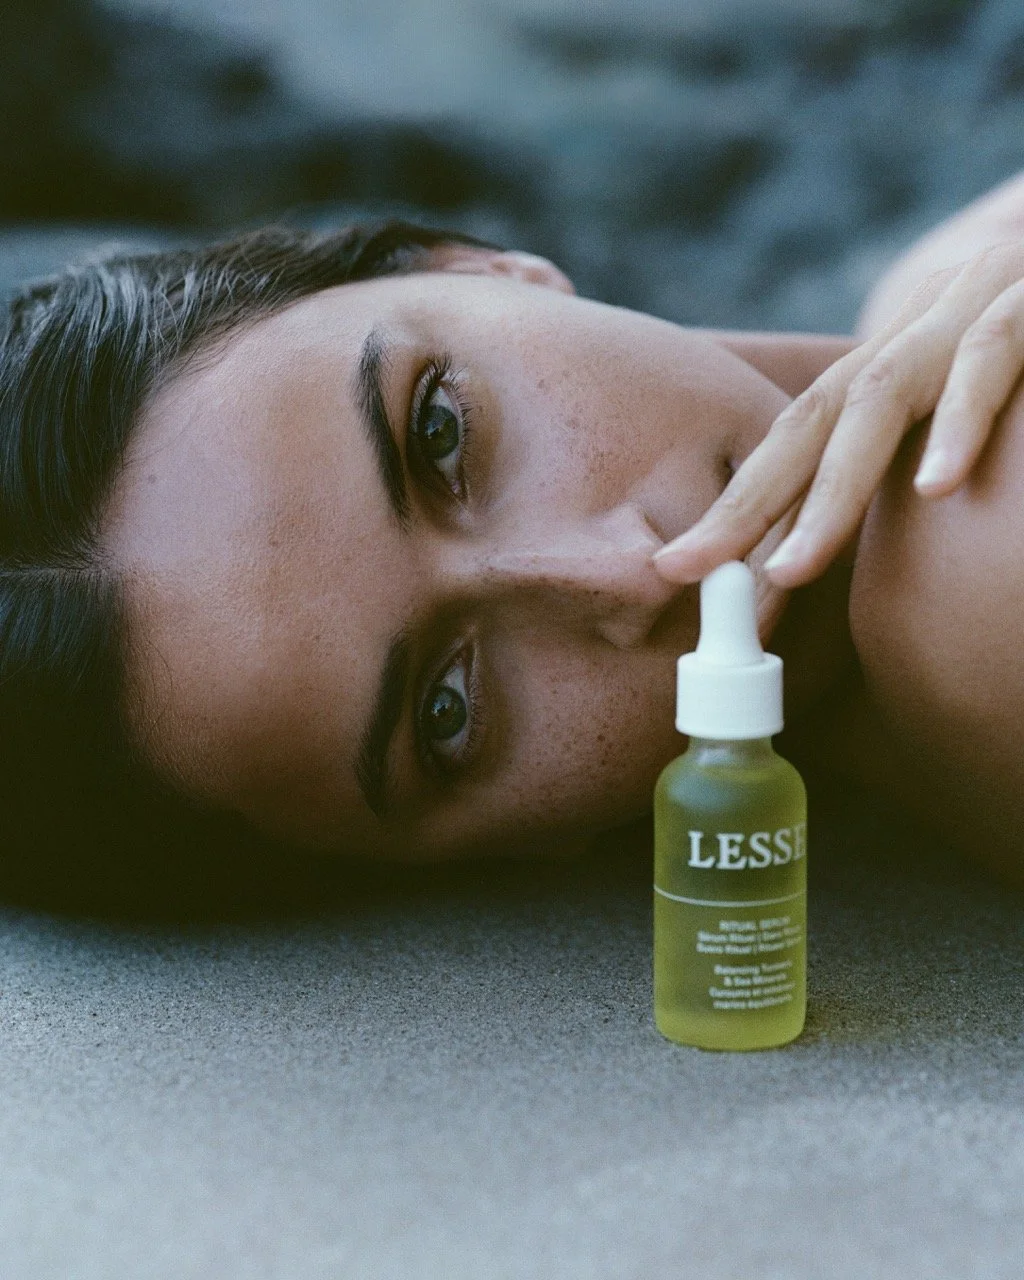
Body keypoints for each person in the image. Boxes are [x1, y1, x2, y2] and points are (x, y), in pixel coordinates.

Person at [3, 174, 1024, 892]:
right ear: (507, 853)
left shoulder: (936, 283)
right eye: (447, 712)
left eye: (439, 433)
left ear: (481, 268)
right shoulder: (968, 590)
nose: (630, 571)